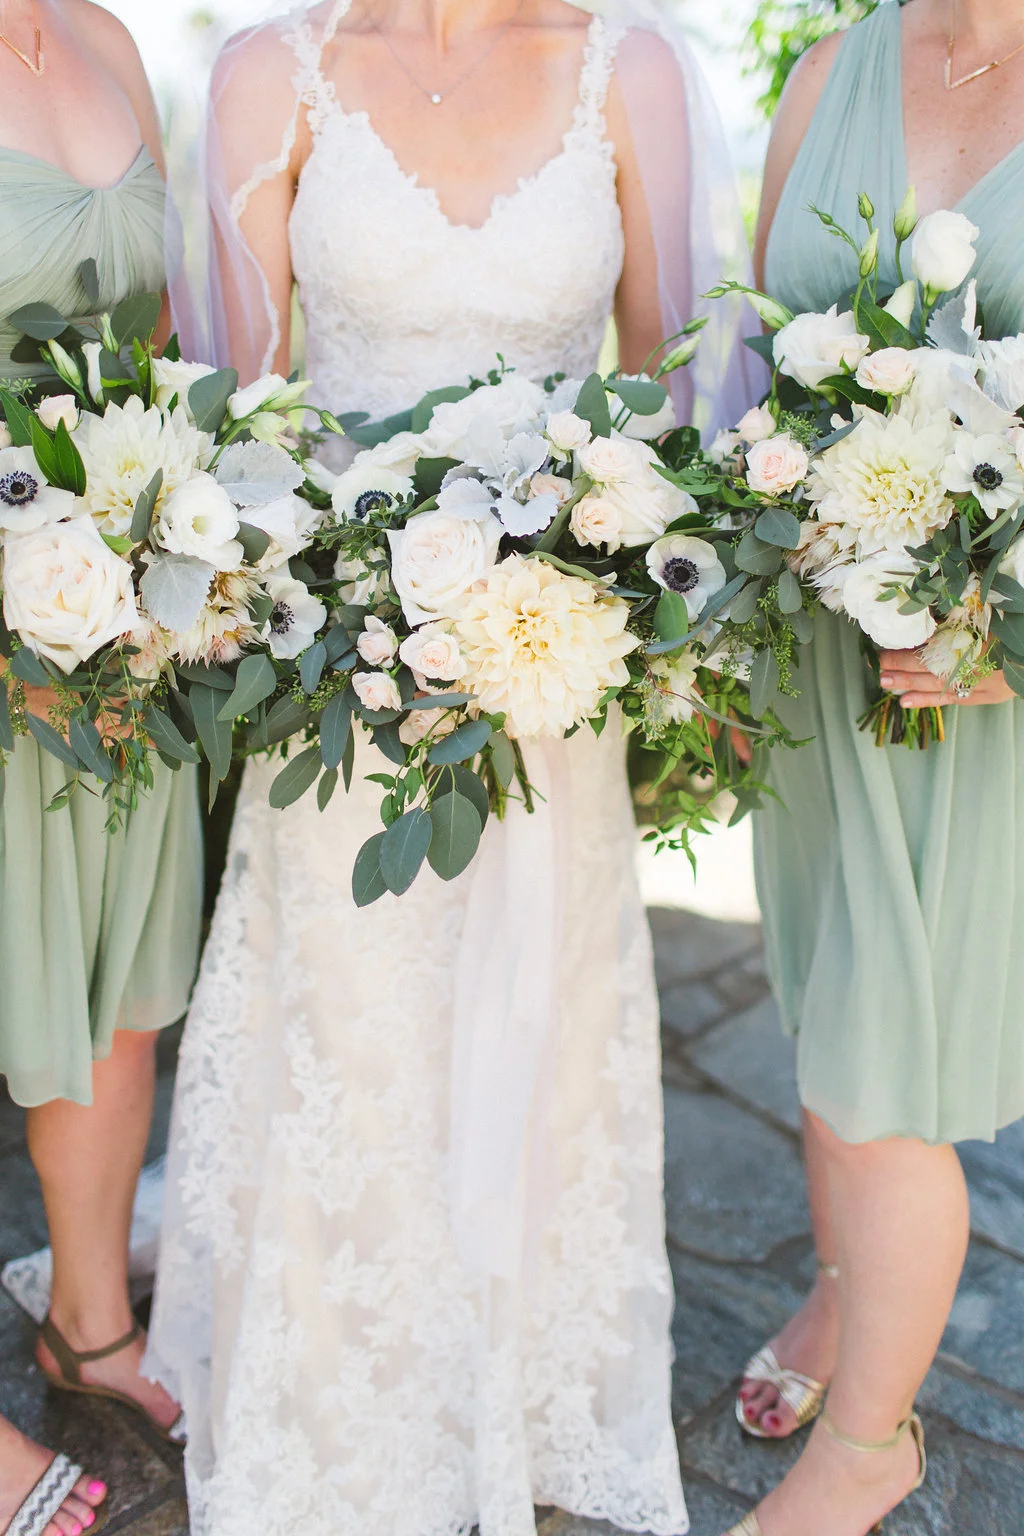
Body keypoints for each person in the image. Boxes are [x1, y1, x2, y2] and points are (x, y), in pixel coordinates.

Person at [145, 3, 752, 1534]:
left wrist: (568, 569)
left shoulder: (640, 69)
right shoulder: (267, 78)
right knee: (349, 1015)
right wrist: (353, 595)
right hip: (338, 660)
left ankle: (528, 1387)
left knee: (540, 1012)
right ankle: (345, 1399)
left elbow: (675, 380)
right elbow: (235, 413)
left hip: (555, 652)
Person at [727, 0, 1024, 1532]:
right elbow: (759, 369)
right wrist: (705, 610)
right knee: (828, 1008)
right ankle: (850, 1297)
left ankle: (869, 1451)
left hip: (987, 692)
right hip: (817, 650)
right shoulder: (838, 66)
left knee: (888, 1079)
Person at [0, 3, 204, 1532]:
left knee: (118, 994)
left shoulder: (105, 33)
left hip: (112, 617)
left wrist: (174, 527)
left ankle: (89, 1321)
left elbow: (163, 340)